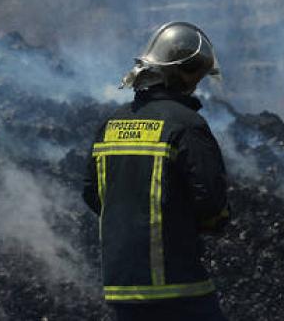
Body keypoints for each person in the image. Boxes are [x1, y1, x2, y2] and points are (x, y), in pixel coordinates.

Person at [83, 21, 230, 321]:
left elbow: (92, 194)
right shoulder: (186, 125)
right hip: (178, 287)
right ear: (184, 76)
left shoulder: (111, 125)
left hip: (121, 287)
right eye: (196, 77)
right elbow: (211, 203)